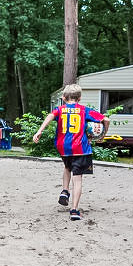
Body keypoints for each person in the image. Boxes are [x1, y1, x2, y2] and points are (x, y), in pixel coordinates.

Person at [33, 84, 109, 221]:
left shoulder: (60, 109)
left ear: (63, 98)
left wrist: (39, 131)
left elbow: (50, 116)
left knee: (68, 167)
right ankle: (74, 210)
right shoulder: (84, 110)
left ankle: (65, 190)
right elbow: (106, 120)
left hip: (63, 147)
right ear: (79, 98)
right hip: (81, 148)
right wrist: (102, 135)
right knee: (77, 178)